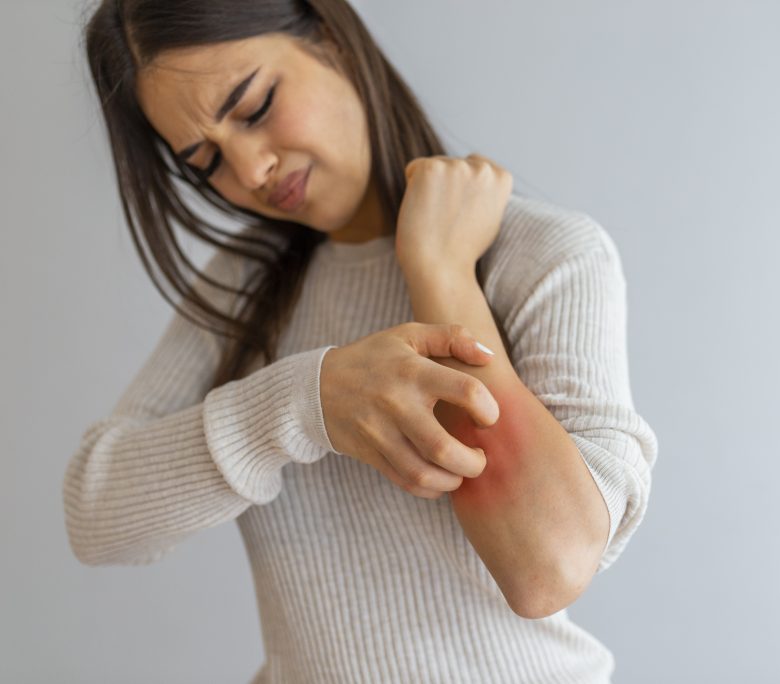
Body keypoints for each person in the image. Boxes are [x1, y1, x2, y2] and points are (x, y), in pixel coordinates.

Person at [62, 1, 659, 682]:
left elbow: (546, 568)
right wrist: (304, 402)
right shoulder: (244, 292)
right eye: (206, 162)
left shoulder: (542, 258)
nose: (251, 169)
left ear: (330, 37)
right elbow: (96, 513)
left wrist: (439, 270)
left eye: (254, 108)